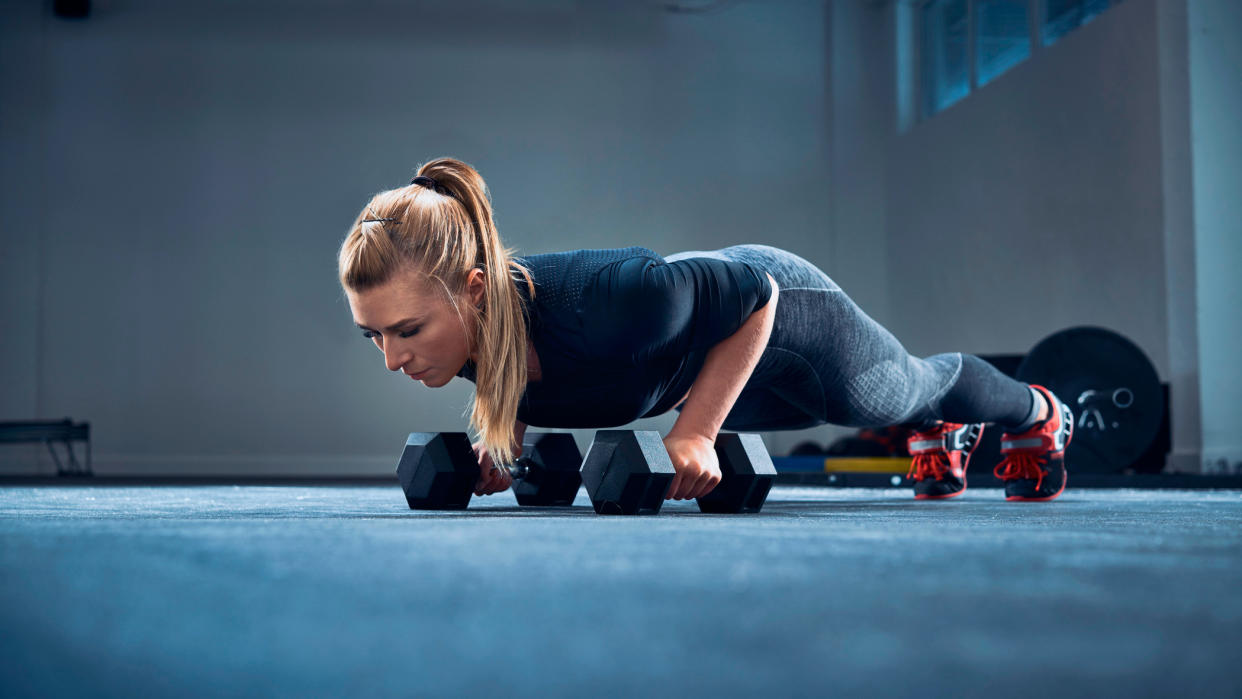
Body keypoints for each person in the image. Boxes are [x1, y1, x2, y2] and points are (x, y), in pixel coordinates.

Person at [339, 158, 1074, 503]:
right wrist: (506, 443)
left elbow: (757, 295)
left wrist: (692, 434)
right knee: (847, 412)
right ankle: (937, 435)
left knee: (903, 388)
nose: (392, 358)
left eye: (405, 331)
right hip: (690, 367)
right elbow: (527, 370)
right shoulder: (468, 335)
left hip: (781, 315)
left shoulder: (614, 300)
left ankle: (1041, 413)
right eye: (373, 336)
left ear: (471, 291)